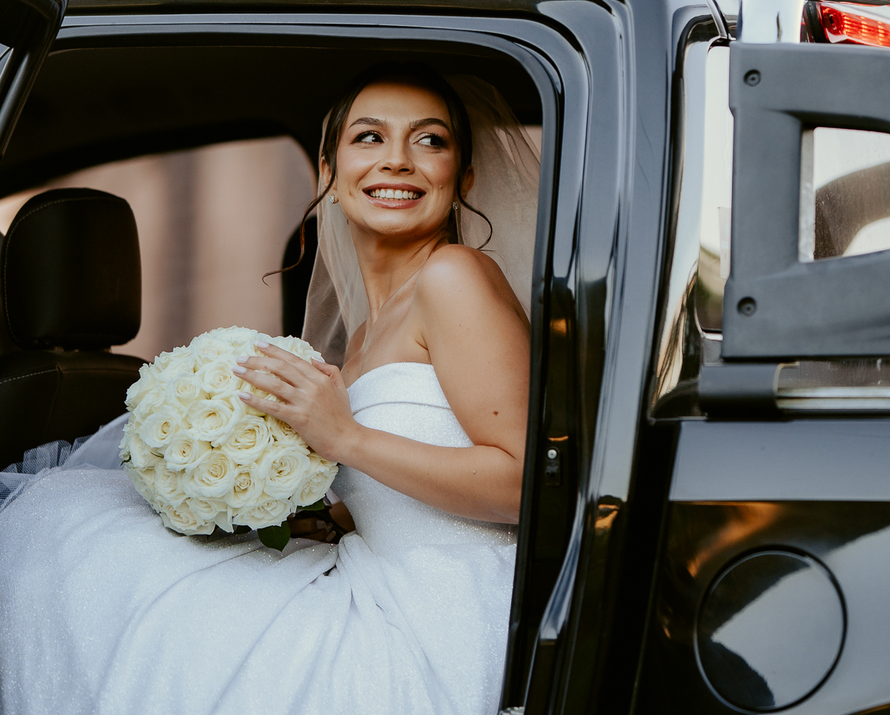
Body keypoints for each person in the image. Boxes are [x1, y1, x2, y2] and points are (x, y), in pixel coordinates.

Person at [0, 64, 539, 715]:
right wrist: (326, 515)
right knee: (79, 531)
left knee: (81, 540)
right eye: (369, 138)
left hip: (439, 619)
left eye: (430, 141)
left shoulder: (454, 276)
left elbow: (520, 485)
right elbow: (411, 487)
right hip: (377, 578)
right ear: (329, 173)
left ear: (465, 178)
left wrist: (346, 438)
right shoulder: (366, 333)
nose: (398, 160)